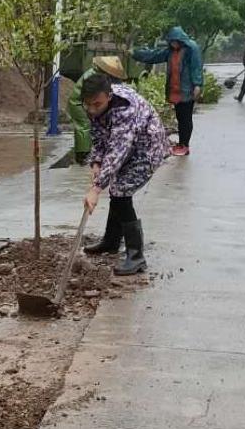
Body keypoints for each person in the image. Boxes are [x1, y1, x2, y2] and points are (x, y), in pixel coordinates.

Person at [81, 73, 170, 276]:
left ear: (109, 96)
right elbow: (98, 135)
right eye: (89, 105)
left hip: (146, 148)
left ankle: (136, 256)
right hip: (127, 147)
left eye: (97, 104)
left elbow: (117, 150)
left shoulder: (125, 110)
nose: (92, 110)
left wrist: (95, 189)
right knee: (117, 190)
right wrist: (96, 161)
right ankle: (111, 241)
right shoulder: (94, 104)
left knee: (121, 191)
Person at [132, 26, 203, 157]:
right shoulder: (170, 51)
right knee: (180, 116)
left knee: (185, 118)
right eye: (170, 42)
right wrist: (135, 54)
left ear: (180, 40)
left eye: (173, 41)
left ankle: (185, 145)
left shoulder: (191, 48)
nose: (172, 44)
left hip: (187, 88)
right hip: (175, 89)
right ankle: (181, 144)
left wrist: (197, 84)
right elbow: (154, 55)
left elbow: (196, 66)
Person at [68, 56, 127, 164]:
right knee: (84, 126)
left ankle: (86, 153)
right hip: (78, 103)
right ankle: (83, 155)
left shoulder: (96, 73)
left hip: (84, 102)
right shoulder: (93, 75)